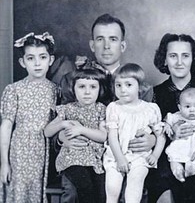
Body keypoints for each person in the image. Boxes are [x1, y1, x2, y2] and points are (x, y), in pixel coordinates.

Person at [53, 14, 155, 202]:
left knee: (131, 191)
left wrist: (152, 139)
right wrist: (61, 138)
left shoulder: (141, 87)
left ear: (122, 46)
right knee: (76, 192)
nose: (106, 46)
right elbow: (58, 123)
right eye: (100, 39)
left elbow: (154, 124)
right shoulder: (72, 80)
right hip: (82, 155)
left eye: (113, 39)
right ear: (92, 45)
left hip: (124, 156)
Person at [146, 33, 195, 203]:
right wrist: (171, 135)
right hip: (168, 161)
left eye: (185, 56)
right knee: (164, 194)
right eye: (173, 56)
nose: (179, 62)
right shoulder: (156, 93)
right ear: (165, 60)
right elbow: (154, 131)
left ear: (193, 59)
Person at [0, 32, 57, 202]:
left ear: (51, 60)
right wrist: (4, 163)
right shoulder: (14, 90)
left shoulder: (56, 90)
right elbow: (6, 126)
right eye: (31, 58)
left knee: (39, 193)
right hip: (19, 151)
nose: (37, 63)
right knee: (18, 193)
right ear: (22, 62)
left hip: (44, 151)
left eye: (42, 57)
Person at [44, 68, 109, 203]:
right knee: (84, 189)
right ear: (73, 89)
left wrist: (81, 130)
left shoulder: (101, 109)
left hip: (95, 161)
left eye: (92, 87)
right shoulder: (67, 109)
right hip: (72, 158)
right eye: (81, 87)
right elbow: (47, 132)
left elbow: (103, 136)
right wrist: (63, 124)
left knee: (101, 193)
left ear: (99, 90)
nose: (87, 92)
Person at [103, 63, 166, 203]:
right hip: (116, 155)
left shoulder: (150, 109)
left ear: (140, 87)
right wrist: (120, 159)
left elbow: (160, 135)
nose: (123, 90)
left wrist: (155, 155)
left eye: (128, 85)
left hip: (139, 157)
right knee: (112, 188)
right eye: (118, 85)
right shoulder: (114, 108)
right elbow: (112, 137)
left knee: (134, 184)